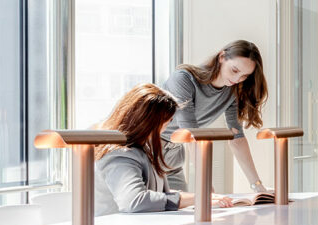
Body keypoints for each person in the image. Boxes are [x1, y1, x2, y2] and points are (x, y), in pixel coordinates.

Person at [94, 83, 233, 215]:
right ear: (147, 122)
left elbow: (159, 193)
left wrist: (203, 197)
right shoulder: (119, 154)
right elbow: (134, 201)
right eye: (167, 121)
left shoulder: (143, 149)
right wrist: (198, 198)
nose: (169, 125)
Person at [162, 40, 269, 192]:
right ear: (222, 57)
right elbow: (191, 135)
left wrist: (258, 187)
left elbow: (237, 139)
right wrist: (206, 185)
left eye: (245, 76)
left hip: (173, 158)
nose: (238, 79)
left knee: (179, 210)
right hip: (144, 150)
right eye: (234, 70)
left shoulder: (232, 92)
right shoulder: (184, 79)